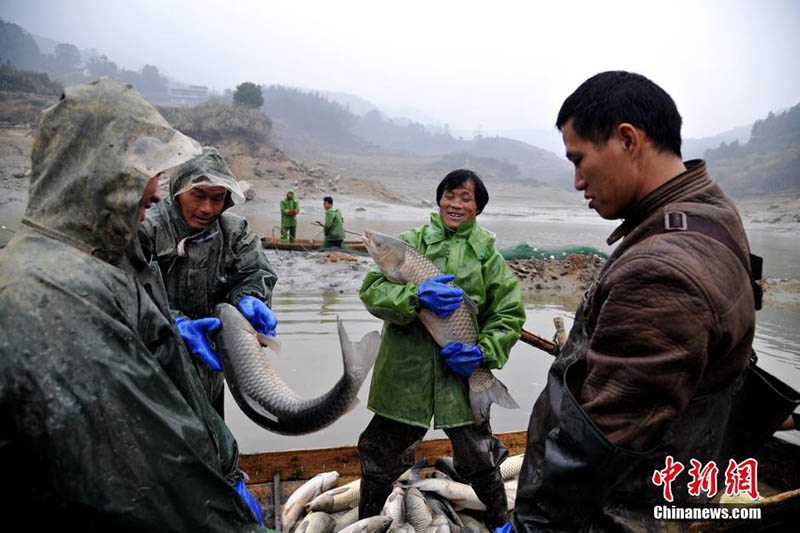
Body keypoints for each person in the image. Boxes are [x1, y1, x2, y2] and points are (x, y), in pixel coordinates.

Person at [0, 78, 266, 530]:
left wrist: (248, 300)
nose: (156, 192)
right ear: (95, 172)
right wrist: (225, 510)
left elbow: (250, 274)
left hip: (205, 371)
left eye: (216, 198)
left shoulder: (103, 251)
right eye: (145, 174)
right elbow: (141, 468)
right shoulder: (63, 289)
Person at [510, 71, 759, 531]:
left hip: (616, 515)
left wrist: (531, 524)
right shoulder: (710, 211)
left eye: (580, 159)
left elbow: (593, 453)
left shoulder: (662, 272)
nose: (578, 180)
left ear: (627, 139)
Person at [357, 169, 526, 528]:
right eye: (450, 195)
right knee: (378, 454)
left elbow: (509, 316)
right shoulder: (408, 243)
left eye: (466, 198)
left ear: (477, 208)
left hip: (461, 378)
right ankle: (368, 524)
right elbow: (372, 293)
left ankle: (500, 523)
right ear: (439, 200)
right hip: (404, 376)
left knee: (481, 458)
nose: (456, 204)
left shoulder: (489, 260)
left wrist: (483, 354)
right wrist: (414, 296)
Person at [138, 146, 278, 417]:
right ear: (178, 190)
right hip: (152, 369)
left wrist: (251, 298)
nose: (207, 208)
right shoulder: (147, 228)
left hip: (211, 369)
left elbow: (256, 274)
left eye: (217, 198)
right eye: (198, 196)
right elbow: (128, 293)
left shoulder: (235, 232)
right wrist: (172, 325)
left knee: (213, 445)